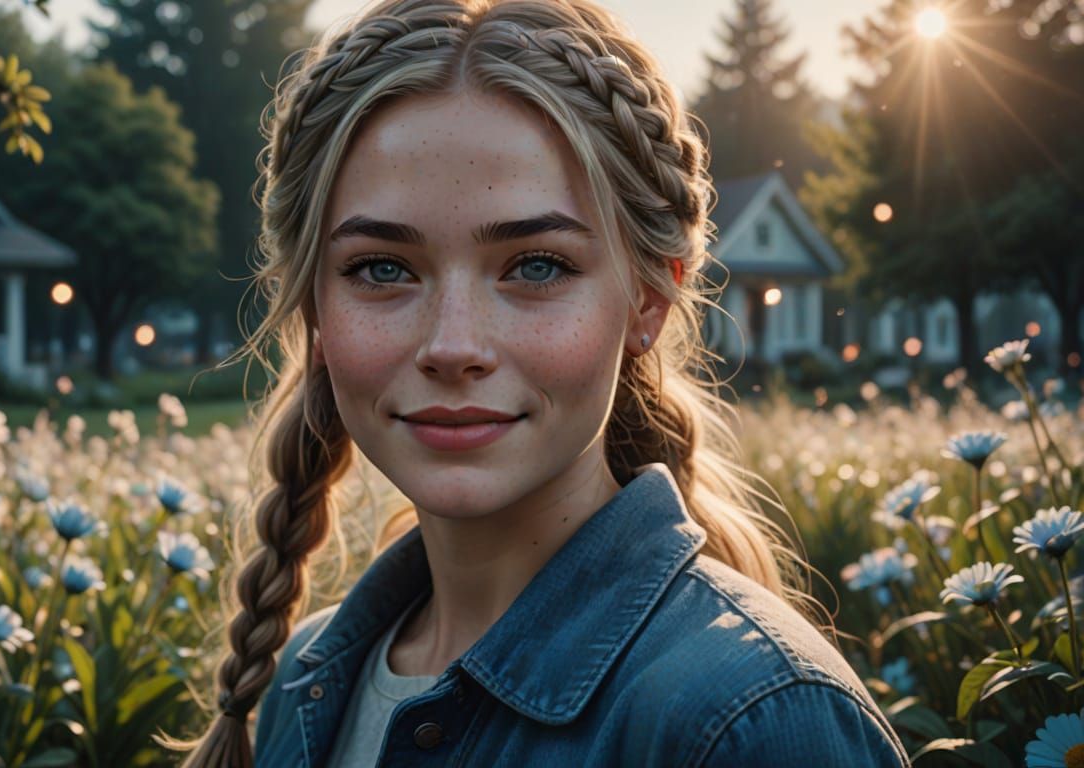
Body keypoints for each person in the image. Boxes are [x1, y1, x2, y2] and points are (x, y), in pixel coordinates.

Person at [176, 0, 911, 765]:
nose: (453, 346)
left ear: (647, 303)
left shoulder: (751, 721)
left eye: (537, 266)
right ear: (314, 310)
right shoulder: (308, 676)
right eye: (382, 269)